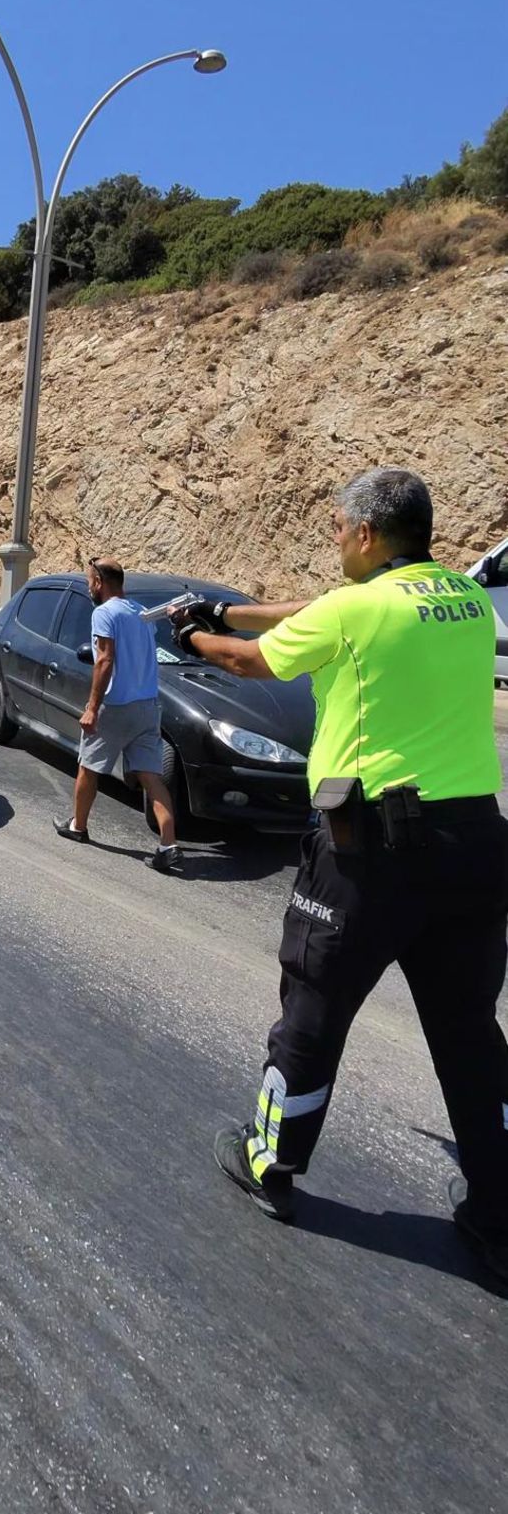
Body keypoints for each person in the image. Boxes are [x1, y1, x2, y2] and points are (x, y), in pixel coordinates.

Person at [171, 468, 508, 1283]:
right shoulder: (467, 599)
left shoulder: (354, 611)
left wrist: (194, 638)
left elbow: (252, 661)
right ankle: (499, 1214)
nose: (332, 538)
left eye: (335, 527)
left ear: (363, 532)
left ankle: (268, 1161)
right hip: (475, 847)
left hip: (370, 853)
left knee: (312, 1007)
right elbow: (313, 609)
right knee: (469, 1032)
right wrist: (225, 608)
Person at [53, 556, 181, 873]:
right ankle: (169, 844)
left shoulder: (104, 613)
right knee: (151, 777)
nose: (89, 587)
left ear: (99, 582)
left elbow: (105, 660)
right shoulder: (141, 613)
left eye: (89, 581)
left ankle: (78, 826)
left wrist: (92, 708)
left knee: (88, 766)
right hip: (147, 705)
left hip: (116, 706)